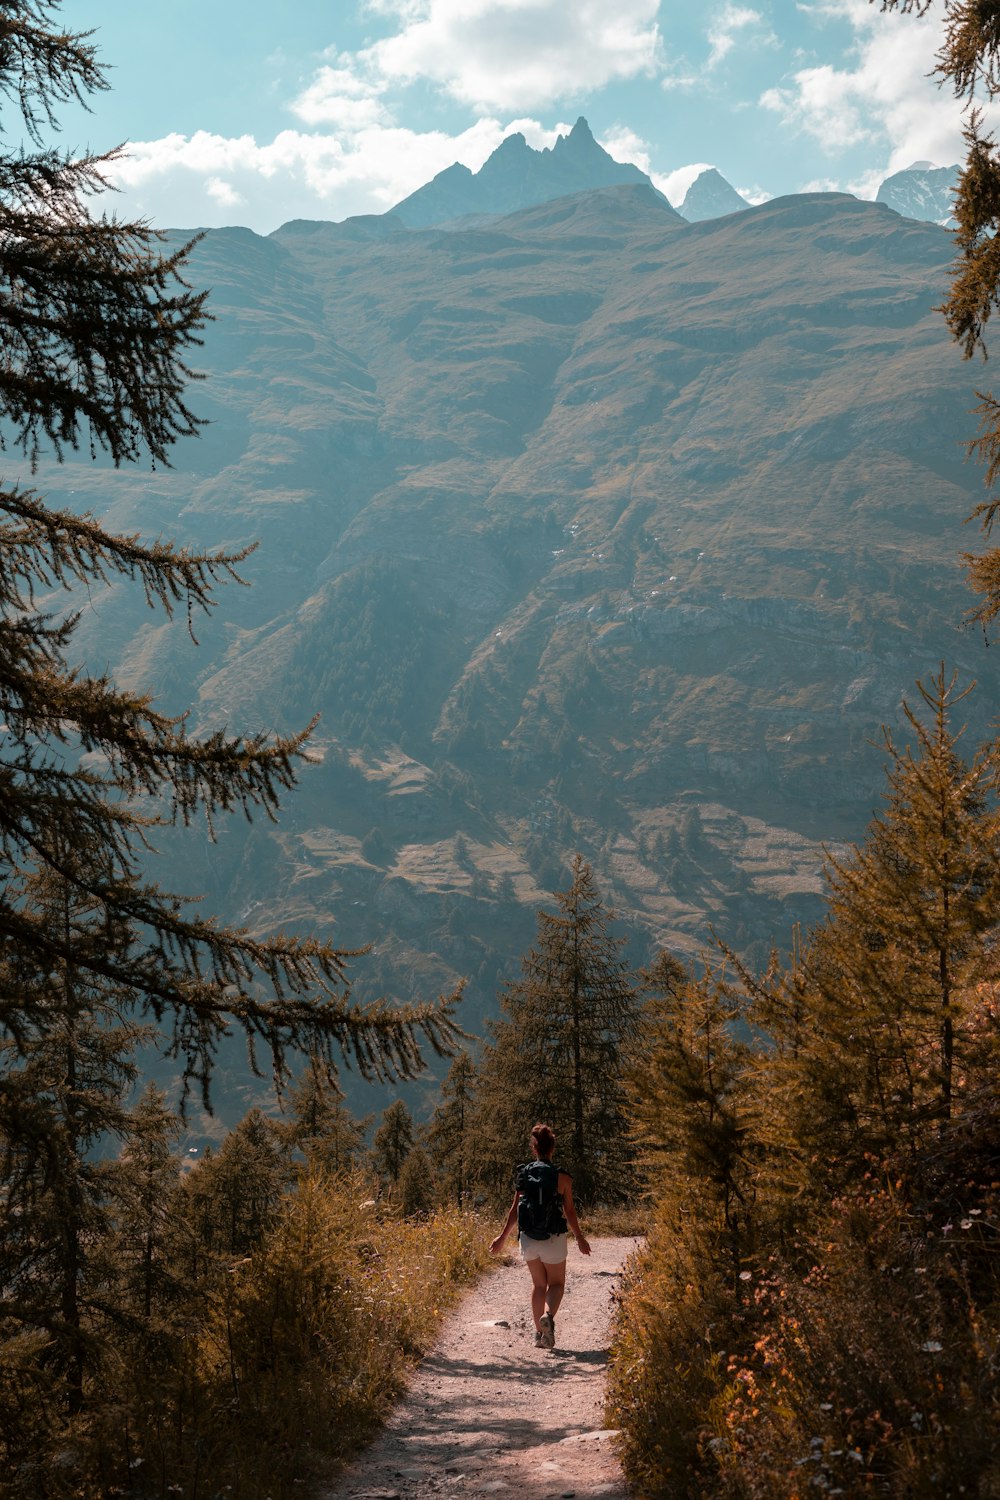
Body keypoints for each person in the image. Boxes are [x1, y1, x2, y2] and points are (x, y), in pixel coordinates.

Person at [489, 1121, 591, 1349]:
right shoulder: (562, 1177)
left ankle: (539, 1335)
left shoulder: (524, 1174)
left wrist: (502, 1238)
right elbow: (570, 1211)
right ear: (552, 1149)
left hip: (528, 1239)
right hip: (553, 1238)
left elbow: (515, 1209)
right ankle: (548, 1317)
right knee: (556, 1285)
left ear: (534, 1149)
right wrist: (580, 1238)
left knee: (538, 1285)